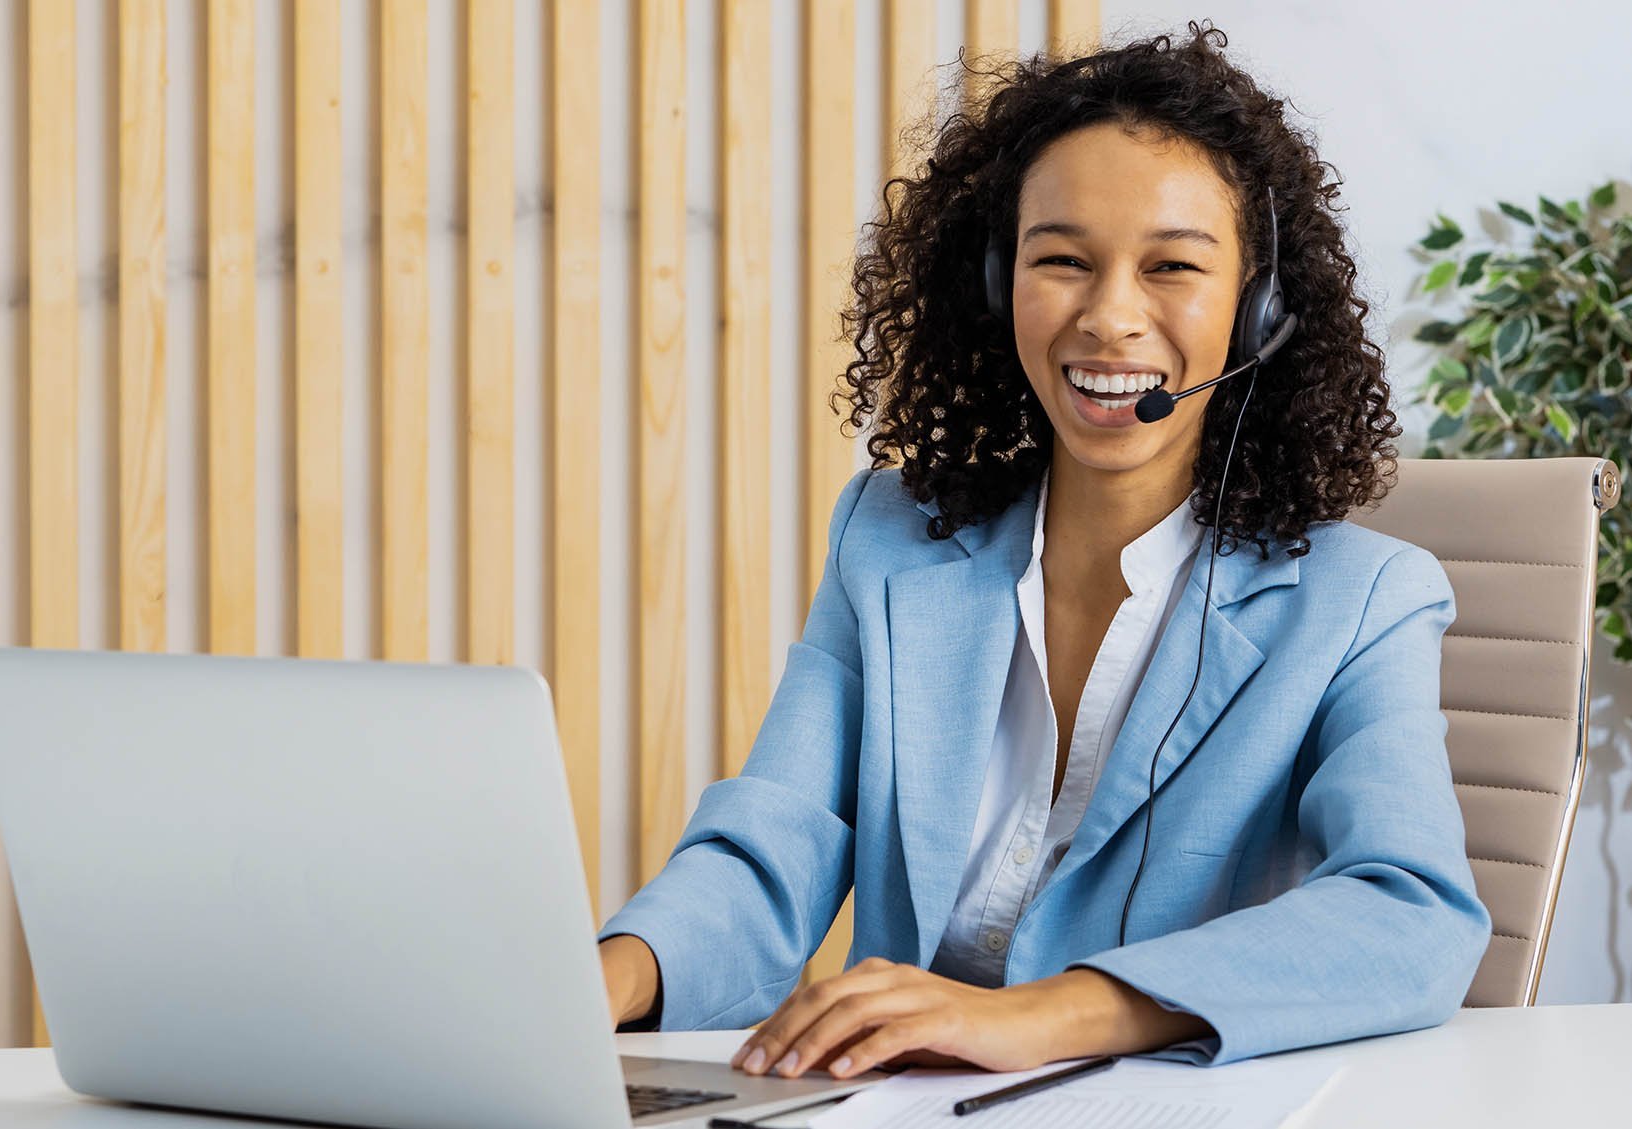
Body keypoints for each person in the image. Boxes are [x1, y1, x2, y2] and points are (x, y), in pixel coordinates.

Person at [596, 20, 1489, 1080]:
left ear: (1258, 314)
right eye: (1060, 260)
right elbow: (774, 848)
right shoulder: (885, 542)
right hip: (896, 1105)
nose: (1110, 317)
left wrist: (1055, 1012)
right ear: (994, 283)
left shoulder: (1361, 601)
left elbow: (1412, 911)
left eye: (1171, 267)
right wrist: (599, 976)